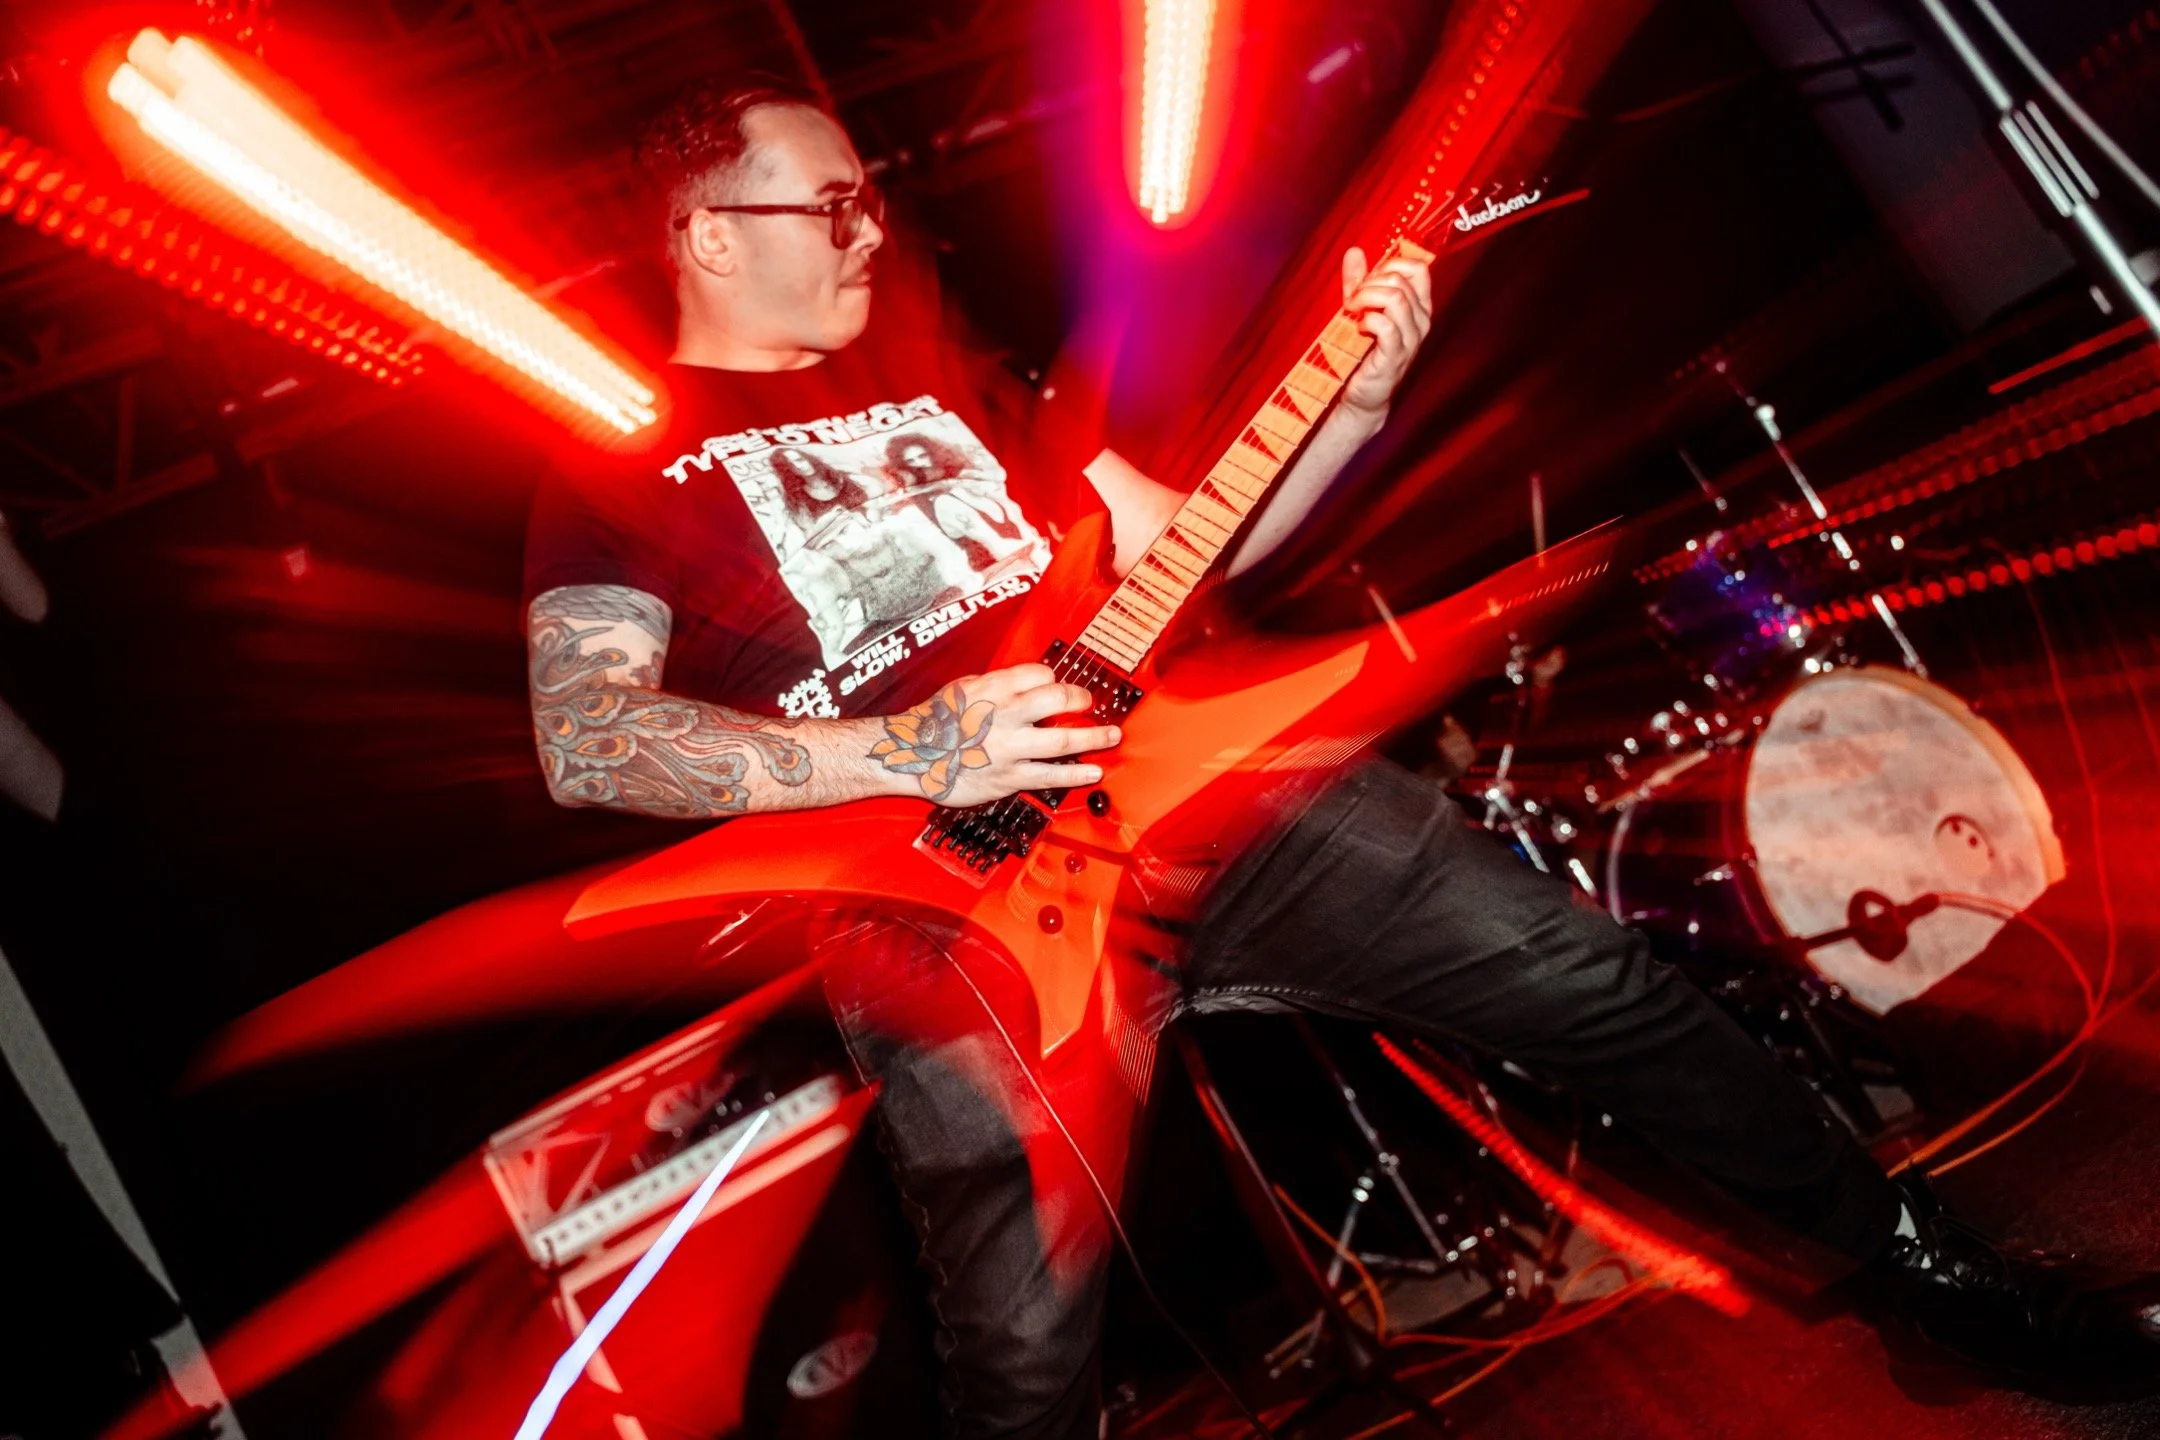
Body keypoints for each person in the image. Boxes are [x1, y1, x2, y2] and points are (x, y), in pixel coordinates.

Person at [523, 74, 2160, 1438]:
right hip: (949, 919)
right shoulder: (626, 475)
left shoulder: (950, 385)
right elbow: (589, 740)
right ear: (703, 232)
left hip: (1195, 789)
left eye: (870, 194)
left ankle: (1928, 1278)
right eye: (831, 204)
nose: (870, 227)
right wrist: (909, 743)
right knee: (1023, 1353)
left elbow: (1184, 555)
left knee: (1605, 992)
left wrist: (1352, 412)